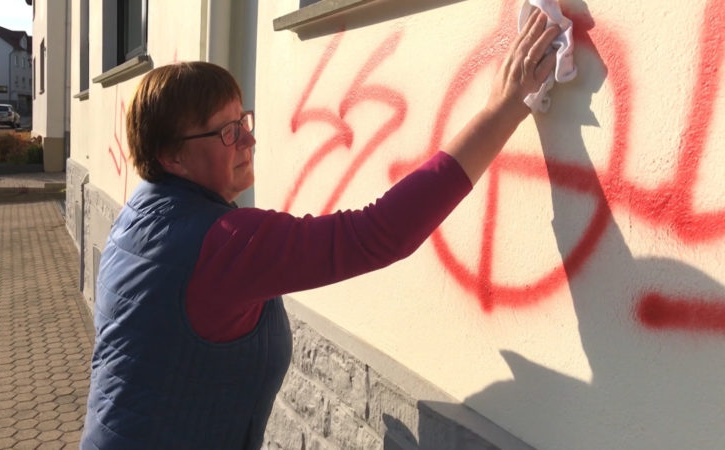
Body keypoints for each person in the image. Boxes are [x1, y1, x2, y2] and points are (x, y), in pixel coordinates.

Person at [80, 11, 561, 450]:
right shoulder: (217, 243)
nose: (249, 139)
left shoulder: (139, 216)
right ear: (172, 156)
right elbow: (378, 234)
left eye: (243, 120)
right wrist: (503, 107)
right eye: (226, 131)